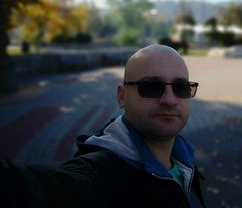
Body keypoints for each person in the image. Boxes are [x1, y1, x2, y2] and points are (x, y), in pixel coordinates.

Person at [0, 44, 206, 208]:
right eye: (151, 86)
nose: (170, 99)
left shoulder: (183, 161)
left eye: (180, 87)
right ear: (122, 96)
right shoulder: (98, 176)